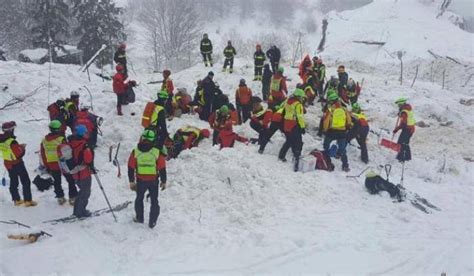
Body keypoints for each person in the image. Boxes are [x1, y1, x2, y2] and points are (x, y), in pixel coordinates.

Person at [128, 130, 167, 229]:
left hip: (141, 181)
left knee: (139, 199)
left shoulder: (135, 151)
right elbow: (162, 167)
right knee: (154, 201)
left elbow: (131, 167)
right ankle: (152, 222)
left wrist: (131, 181)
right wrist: (164, 181)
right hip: (153, 181)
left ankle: (139, 218)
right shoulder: (156, 152)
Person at [40, 120, 78, 205]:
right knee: (70, 180)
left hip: (51, 164)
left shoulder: (44, 140)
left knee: (57, 181)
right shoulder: (61, 139)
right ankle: (73, 198)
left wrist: (46, 165)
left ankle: (60, 198)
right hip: (62, 163)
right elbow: (67, 151)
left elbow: (42, 153)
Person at [0, 121, 36, 207]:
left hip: (8, 163)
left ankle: (16, 200)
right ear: (11, 130)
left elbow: (9, 149)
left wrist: (18, 147)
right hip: (17, 163)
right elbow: (19, 154)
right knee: (26, 181)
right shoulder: (12, 141)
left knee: (14, 181)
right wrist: (22, 148)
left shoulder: (1, 139)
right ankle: (28, 200)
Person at [67, 125, 94, 218]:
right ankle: (81, 212)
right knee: (85, 193)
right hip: (83, 173)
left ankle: (77, 210)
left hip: (74, 173)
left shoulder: (71, 143)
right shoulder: (83, 145)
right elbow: (88, 160)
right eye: (86, 132)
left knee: (81, 192)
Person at [321, 94, 352, 171]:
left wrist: (325, 130)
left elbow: (326, 122)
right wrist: (347, 127)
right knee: (342, 149)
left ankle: (327, 162)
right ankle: (345, 165)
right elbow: (349, 121)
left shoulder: (330, 110)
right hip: (342, 132)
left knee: (326, 145)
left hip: (332, 132)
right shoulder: (344, 109)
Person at [278, 89, 306, 171]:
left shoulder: (288, 101)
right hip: (294, 125)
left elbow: (282, 109)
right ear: (299, 97)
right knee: (298, 142)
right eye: (302, 97)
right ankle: (297, 159)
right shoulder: (298, 105)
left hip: (286, 124)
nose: (302, 99)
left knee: (289, 141)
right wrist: (302, 127)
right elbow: (300, 117)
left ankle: (281, 155)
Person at [393, 97, 415, 162]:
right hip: (410, 129)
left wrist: (397, 129)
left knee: (401, 143)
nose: (398, 106)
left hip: (407, 129)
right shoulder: (407, 110)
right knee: (405, 143)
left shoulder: (404, 112)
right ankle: (407, 157)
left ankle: (401, 158)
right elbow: (404, 121)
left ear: (402, 104)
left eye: (399, 105)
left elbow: (403, 123)